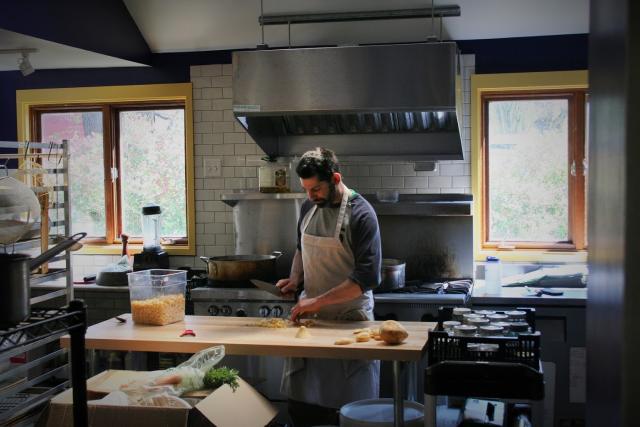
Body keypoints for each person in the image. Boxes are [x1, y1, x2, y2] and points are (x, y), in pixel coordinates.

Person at [276, 147, 382, 427]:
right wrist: (295, 279)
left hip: (350, 324)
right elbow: (301, 246)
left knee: (349, 414)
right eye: (306, 190)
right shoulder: (309, 206)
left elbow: (365, 280)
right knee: (304, 410)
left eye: (316, 189)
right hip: (311, 324)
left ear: (336, 178)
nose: (310, 196)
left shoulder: (362, 214)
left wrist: (315, 302)